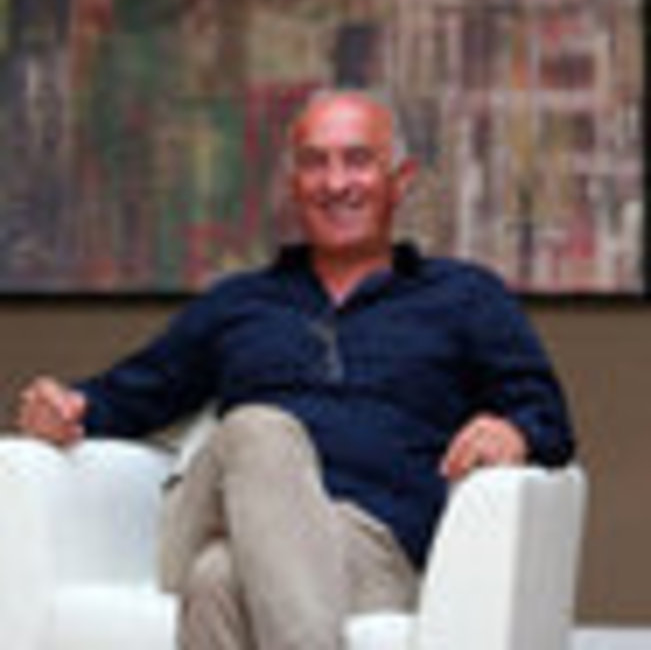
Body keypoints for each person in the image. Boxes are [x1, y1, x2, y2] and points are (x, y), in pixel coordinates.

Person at [17, 90, 575, 650]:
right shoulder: (239, 302)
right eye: (315, 163)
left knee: (218, 579)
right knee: (259, 429)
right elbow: (134, 394)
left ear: (399, 180)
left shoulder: (464, 297)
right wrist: (67, 407)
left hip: (370, 549)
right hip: (216, 517)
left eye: (357, 160)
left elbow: (549, 418)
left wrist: (516, 431)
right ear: (293, 185)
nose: (336, 183)